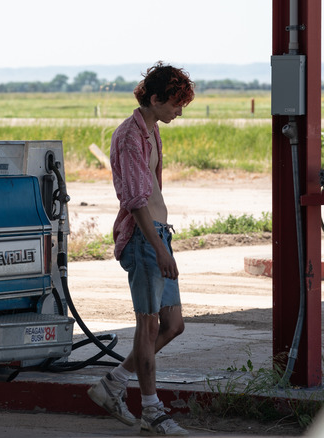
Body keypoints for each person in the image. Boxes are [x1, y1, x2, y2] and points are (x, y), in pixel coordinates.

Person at [87, 62, 195, 436]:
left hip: (159, 236)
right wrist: (159, 248)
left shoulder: (151, 131)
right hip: (143, 239)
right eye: (175, 104)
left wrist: (165, 242)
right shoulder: (129, 136)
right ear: (155, 98)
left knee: (173, 325)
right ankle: (151, 410)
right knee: (148, 325)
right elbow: (135, 201)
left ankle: (112, 385)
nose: (179, 112)